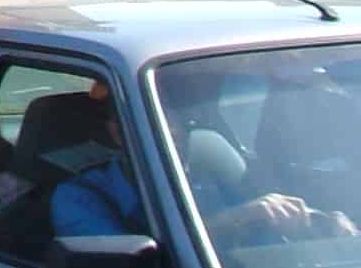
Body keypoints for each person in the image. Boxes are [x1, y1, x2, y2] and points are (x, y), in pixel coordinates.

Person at [53, 81, 356, 248]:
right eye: (156, 122)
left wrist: (320, 225)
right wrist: (234, 219)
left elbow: (265, 216)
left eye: (178, 121)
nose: (175, 133)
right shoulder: (79, 197)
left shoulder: (213, 172)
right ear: (117, 132)